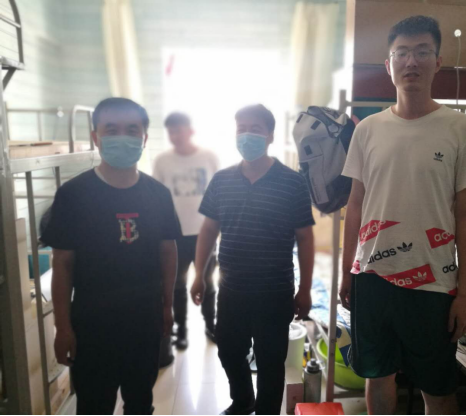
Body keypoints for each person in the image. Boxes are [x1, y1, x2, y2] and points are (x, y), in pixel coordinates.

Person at [339, 16, 466, 416]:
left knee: (438, 388)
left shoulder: (463, 130)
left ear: (438, 62)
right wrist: (346, 273)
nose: (411, 61)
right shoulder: (367, 129)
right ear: (388, 64)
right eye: (402, 53)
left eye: (422, 52)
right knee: (377, 377)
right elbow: (355, 204)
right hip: (371, 277)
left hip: (434, 283)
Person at [43, 98, 181, 415]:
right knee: (94, 403)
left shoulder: (158, 194)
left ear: (144, 138)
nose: (122, 137)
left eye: (131, 130)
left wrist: (167, 306)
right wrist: (63, 327)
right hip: (92, 319)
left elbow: (167, 251)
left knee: (140, 400)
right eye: (111, 129)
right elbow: (62, 264)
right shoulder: (73, 194)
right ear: (96, 137)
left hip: (144, 316)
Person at [191, 104, 316, 416]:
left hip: (274, 291)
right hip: (231, 289)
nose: (247, 135)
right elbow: (208, 230)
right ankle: (243, 400)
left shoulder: (292, 182)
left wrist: (305, 289)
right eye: (241, 129)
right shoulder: (221, 180)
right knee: (229, 351)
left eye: (255, 129)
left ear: (270, 135)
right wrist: (198, 275)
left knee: (271, 361)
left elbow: (305, 238)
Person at [153, 112, 220, 350]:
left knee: (208, 283)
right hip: (174, 235)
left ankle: (211, 324)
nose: (175, 136)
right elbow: (157, 197)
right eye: (171, 132)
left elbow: (219, 193)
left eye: (179, 130)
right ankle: (180, 330)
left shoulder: (208, 157)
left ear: (190, 131)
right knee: (176, 286)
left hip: (205, 233)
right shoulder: (162, 161)